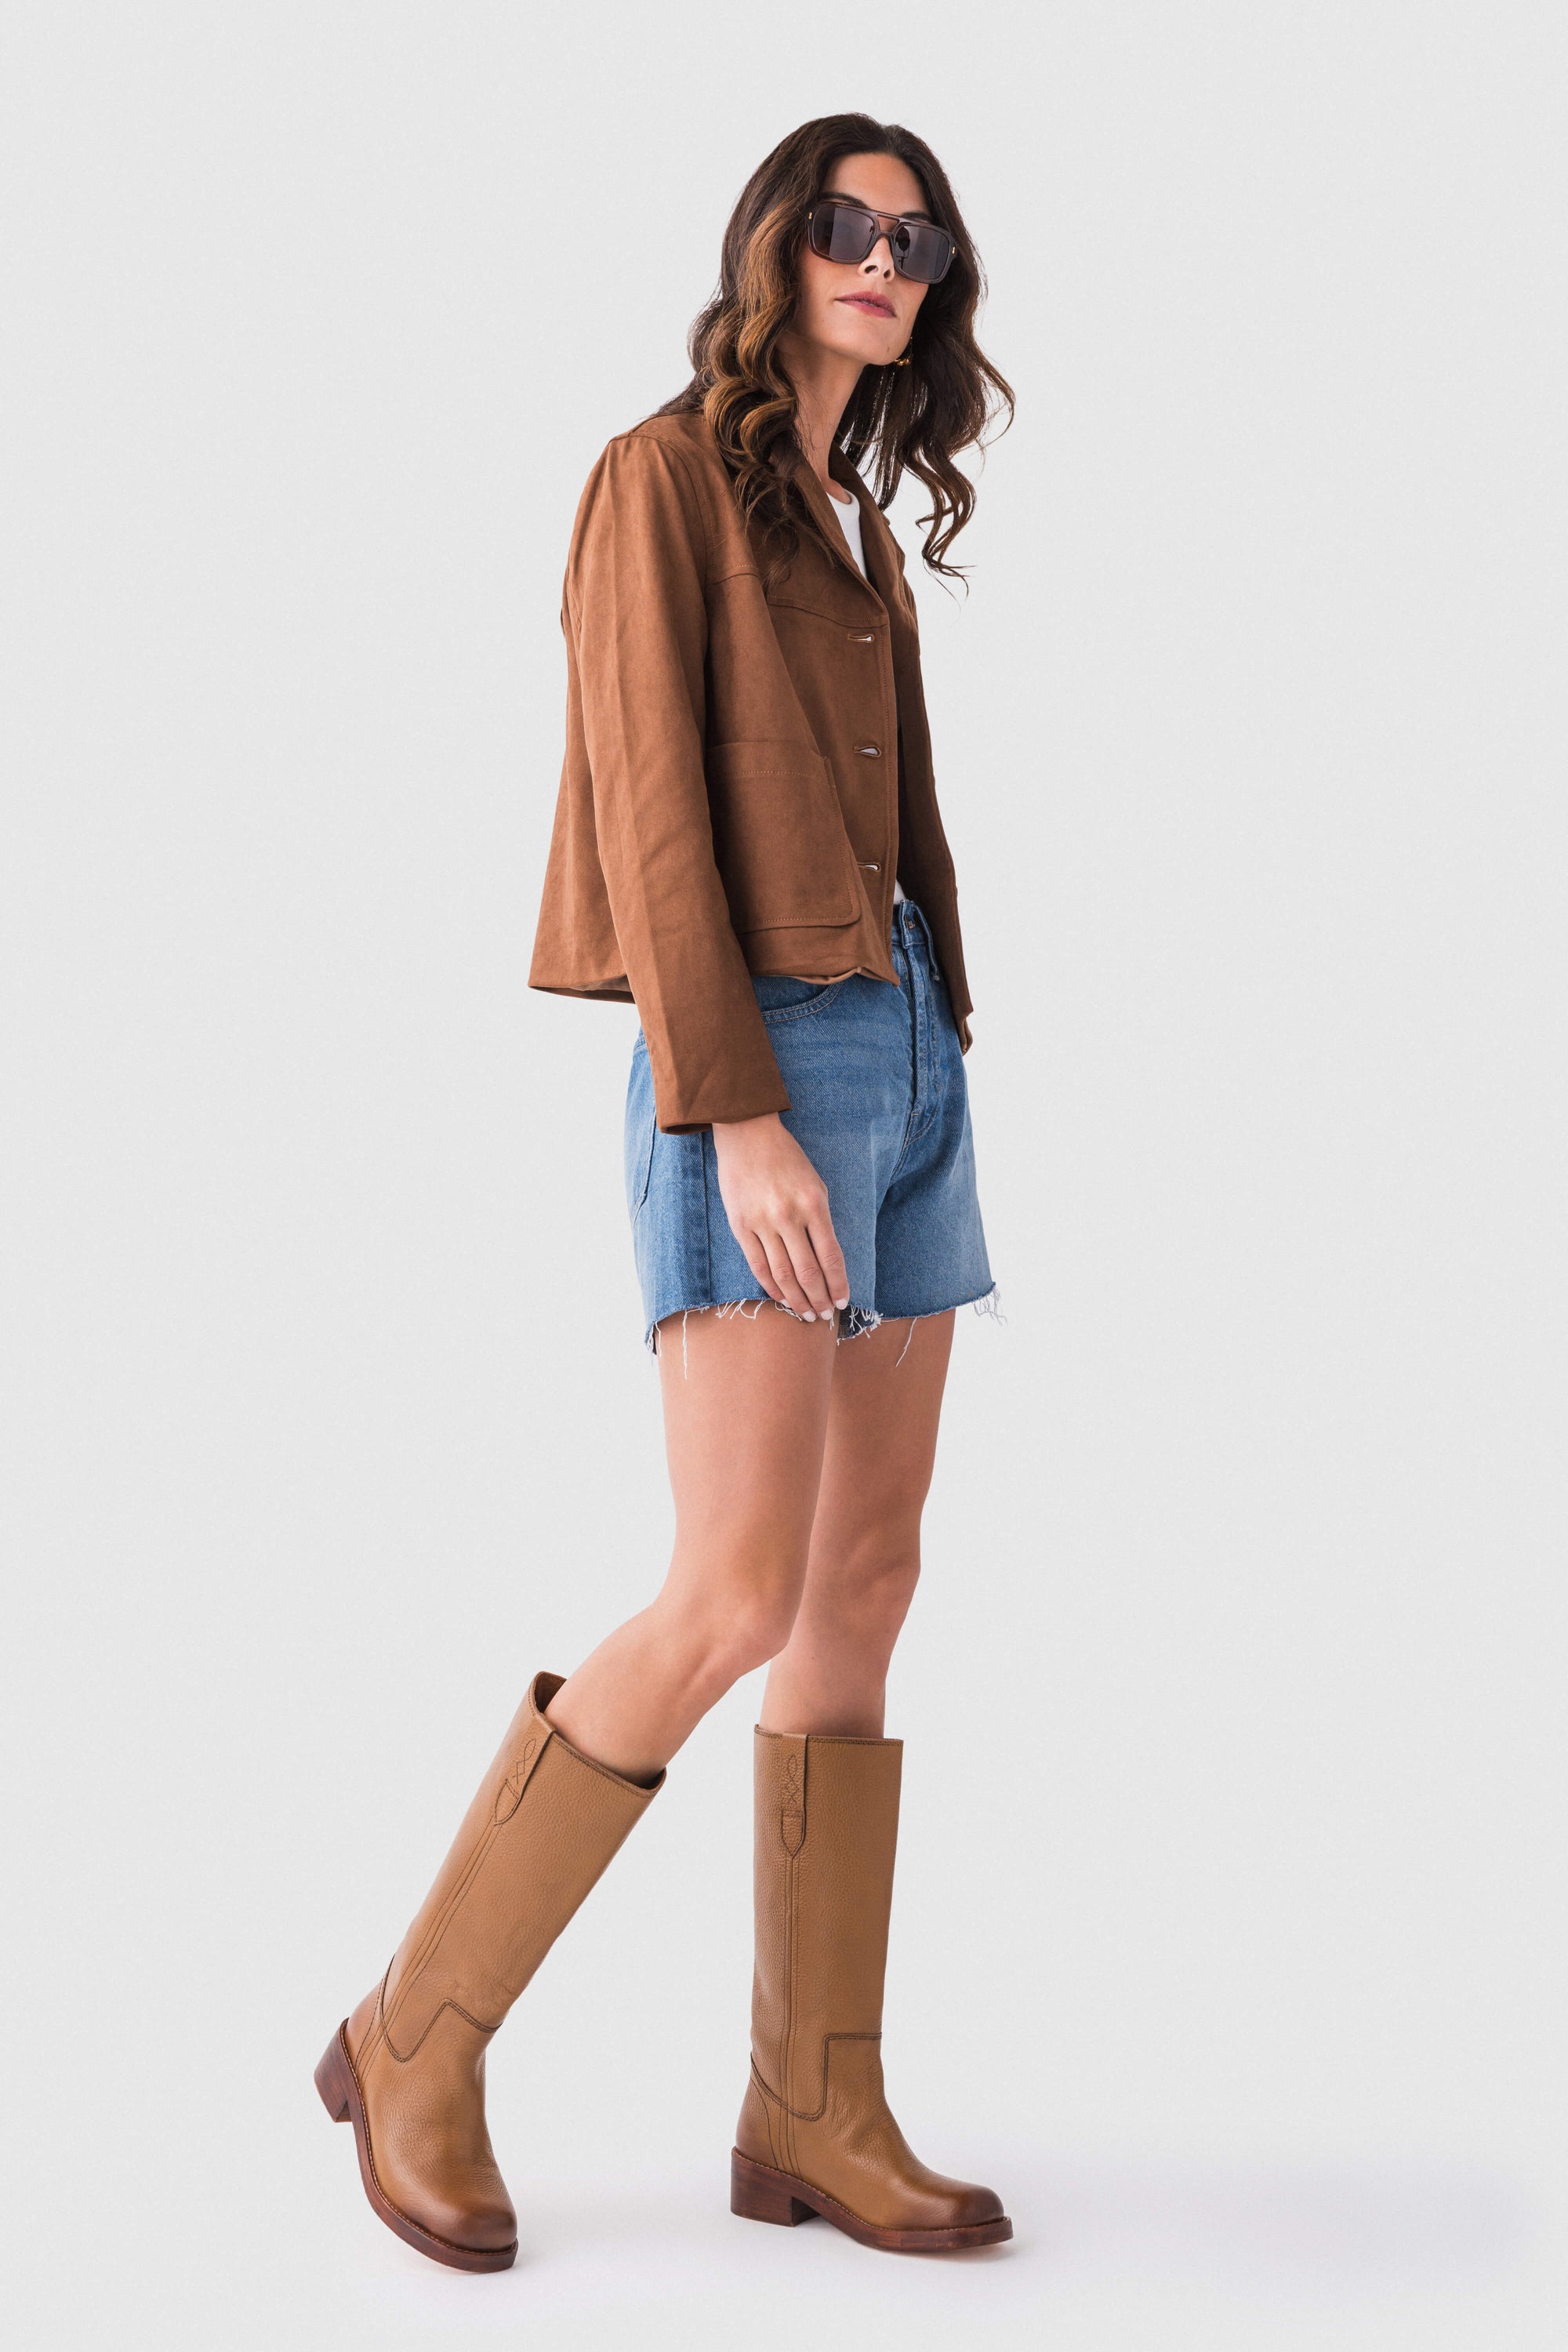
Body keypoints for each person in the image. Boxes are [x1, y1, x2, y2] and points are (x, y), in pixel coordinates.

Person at [315, 111, 1015, 2271]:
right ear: (776, 242)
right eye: (848, 224)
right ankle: (417, 2033)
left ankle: (815, 2104)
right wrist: (736, 1111)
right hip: (762, 1062)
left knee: (865, 1579)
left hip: (907, 1046)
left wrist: (926, 1041)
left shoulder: (853, 509)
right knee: (730, 1587)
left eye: (917, 238)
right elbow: (645, 805)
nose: (883, 258)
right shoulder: (659, 478)